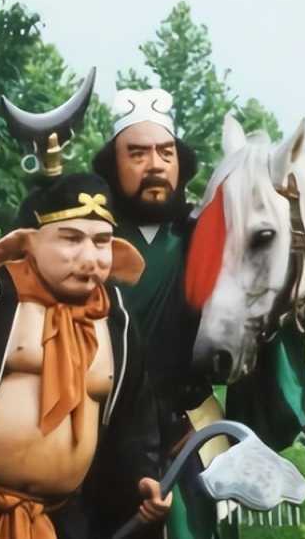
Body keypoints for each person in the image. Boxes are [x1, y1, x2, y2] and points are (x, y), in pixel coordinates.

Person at [0, 172, 171, 539]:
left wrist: (143, 477)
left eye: (101, 242)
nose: (89, 258)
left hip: (61, 522)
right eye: (71, 239)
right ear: (28, 242)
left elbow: (134, 425)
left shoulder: (119, 321)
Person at [92, 88, 228, 539]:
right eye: (138, 153)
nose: (155, 164)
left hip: (191, 429)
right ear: (113, 165)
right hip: (101, 430)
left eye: (165, 153)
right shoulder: (88, 243)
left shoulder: (207, 236)